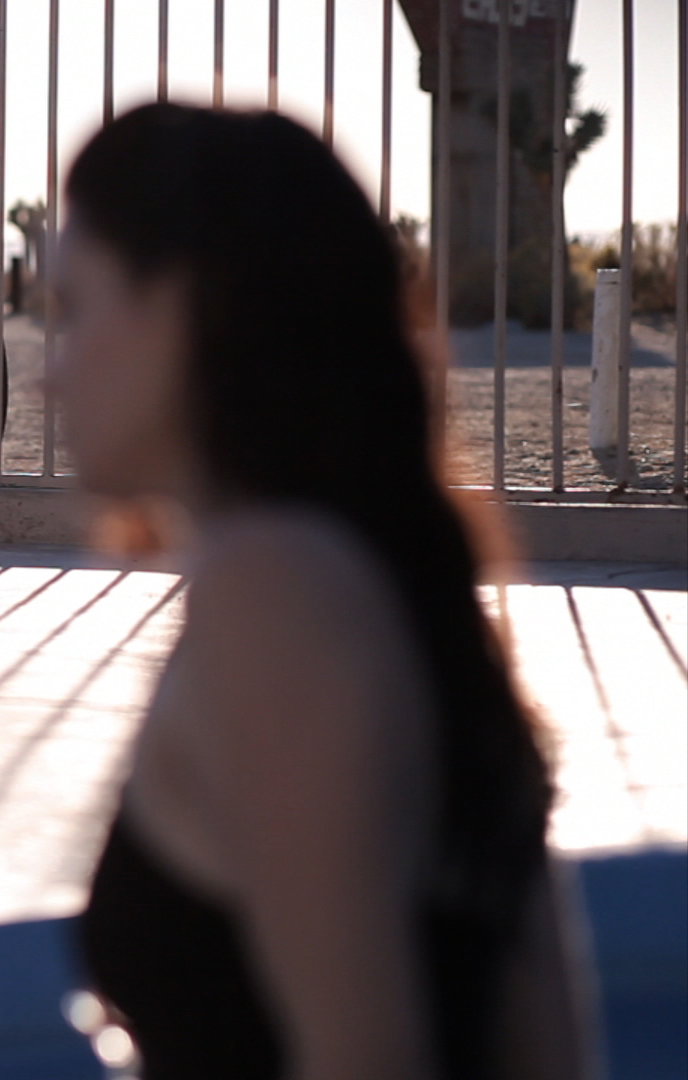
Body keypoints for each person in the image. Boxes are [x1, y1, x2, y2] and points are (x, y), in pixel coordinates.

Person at [52, 104, 596, 1080]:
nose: (48, 376)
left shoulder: (275, 593)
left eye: (73, 308)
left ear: (181, 306)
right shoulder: (401, 585)